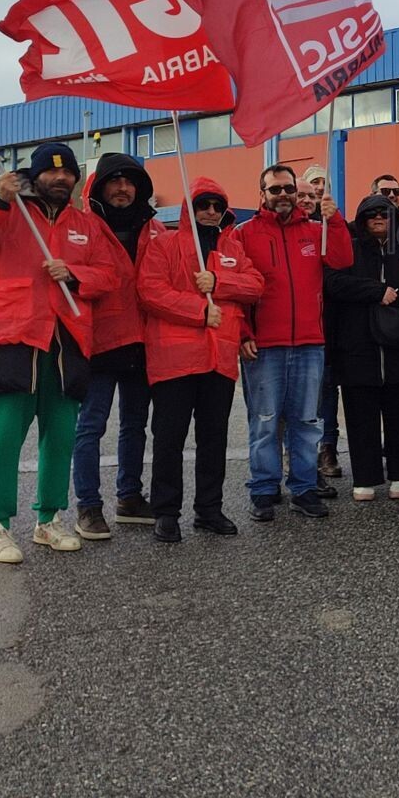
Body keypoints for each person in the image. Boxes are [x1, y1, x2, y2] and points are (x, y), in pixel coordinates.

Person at [0, 143, 121, 563]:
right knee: (2, 438)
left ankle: (49, 519)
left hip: (68, 342)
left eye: (68, 175)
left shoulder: (87, 224)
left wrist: (76, 273)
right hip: (12, 336)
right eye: (51, 173)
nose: (61, 179)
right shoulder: (9, 212)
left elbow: (110, 275)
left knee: (61, 437)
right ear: (34, 175)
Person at [137, 179, 264, 542]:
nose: (210, 211)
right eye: (202, 204)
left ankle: (209, 509)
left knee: (214, 438)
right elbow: (150, 291)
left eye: (216, 205)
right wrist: (198, 310)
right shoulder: (164, 245)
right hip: (174, 360)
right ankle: (166, 512)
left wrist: (219, 281)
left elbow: (255, 285)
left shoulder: (232, 247)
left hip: (218, 359)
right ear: (188, 209)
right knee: (168, 438)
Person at [232, 164, 354, 521]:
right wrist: (242, 333)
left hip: (309, 343)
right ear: (262, 195)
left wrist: (336, 221)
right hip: (264, 345)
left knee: (306, 421)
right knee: (265, 420)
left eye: (288, 189)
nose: (282, 195)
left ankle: (303, 488)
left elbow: (342, 260)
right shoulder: (243, 234)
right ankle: (264, 489)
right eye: (275, 190)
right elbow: (236, 290)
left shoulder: (316, 231)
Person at [72, 152, 160, 539]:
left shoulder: (154, 229)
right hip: (99, 341)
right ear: (101, 186)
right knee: (90, 426)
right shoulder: (84, 227)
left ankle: (130, 497)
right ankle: (88, 506)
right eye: (115, 181)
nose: (123, 188)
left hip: (143, 340)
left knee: (135, 425)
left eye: (130, 181)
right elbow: (64, 274)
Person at [326, 193, 399, 501]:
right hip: (358, 347)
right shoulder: (349, 250)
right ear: (362, 220)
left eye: (384, 212)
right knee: (360, 416)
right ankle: (365, 477)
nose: (378, 217)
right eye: (371, 214)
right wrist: (376, 291)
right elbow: (333, 283)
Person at [302, 165, 344, 487]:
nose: (318, 188)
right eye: (312, 182)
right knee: (306, 397)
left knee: (328, 391)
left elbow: (344, 264)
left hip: (333, 323)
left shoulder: (335, 222)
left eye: (322, 182)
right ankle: (301, 455)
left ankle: (328, 447)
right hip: (303, 324)